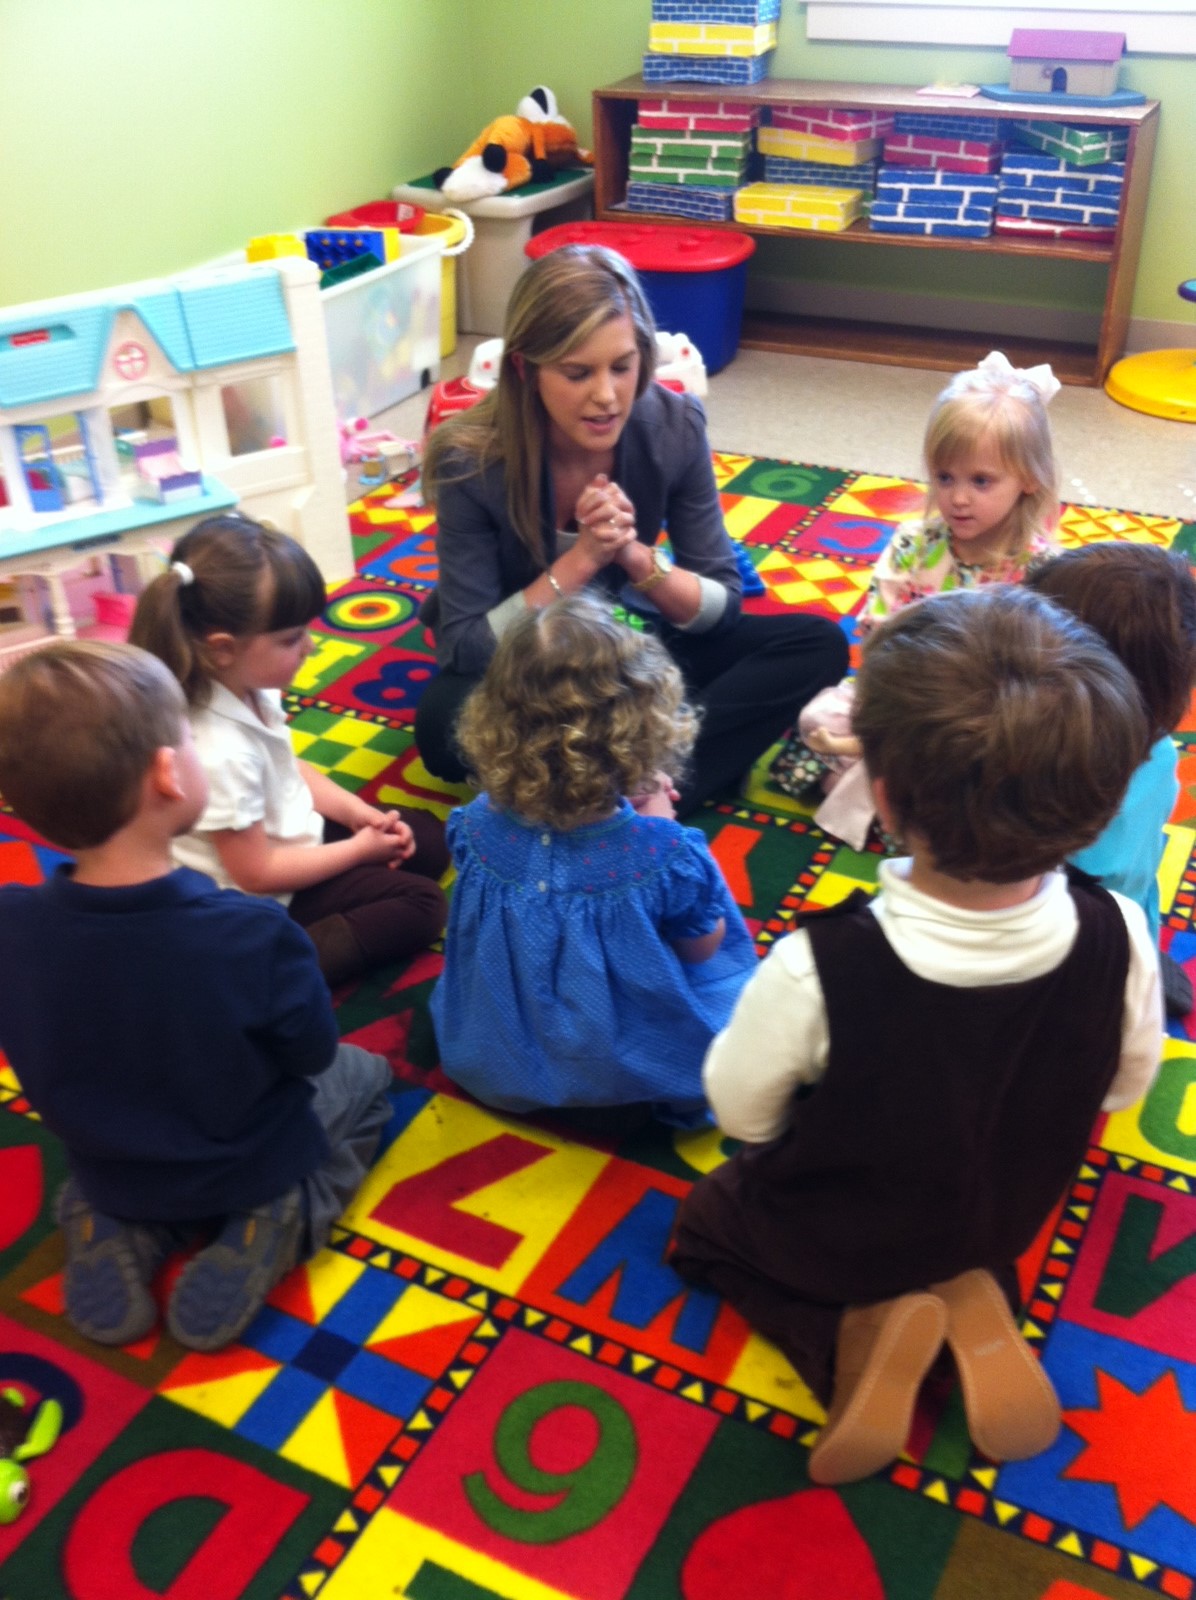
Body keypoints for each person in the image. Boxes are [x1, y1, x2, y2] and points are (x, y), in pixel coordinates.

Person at [671, 587, 1163, 1485]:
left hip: (840, 1226)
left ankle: (850, 1335)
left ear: (885, 799)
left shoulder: (817, 965)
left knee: (704, 1227)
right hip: (1001, 1211)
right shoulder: (1123, 931)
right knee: (945, 1211)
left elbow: (738, 1109)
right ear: (1097, 807)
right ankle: (975, 1295)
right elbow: (1127, 1087)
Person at [0, 641, 395, 1351]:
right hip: (248, 1157)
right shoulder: (250, 933)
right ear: (167, 775)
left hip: (110, 1159)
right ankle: (277, 1217)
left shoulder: (10, 924)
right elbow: (307, 1053)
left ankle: (107, 1217)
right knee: (366, 1079)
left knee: (132, 1132)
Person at [417, 245, 848, 815]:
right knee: (440, 726)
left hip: (637, 648)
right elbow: (467, 647)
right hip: (531, 665)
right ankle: (648, 786)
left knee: (817, 643)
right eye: (578, 373)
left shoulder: (674, 426)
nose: (606, 395)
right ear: (525, 369)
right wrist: (583, 560)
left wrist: (635, 557)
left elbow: (724, 606)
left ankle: (616, 788)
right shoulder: (468, 459)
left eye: (622, 366)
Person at [430, 593, 759, 1126]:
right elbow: (702, 948)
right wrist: (661, 822)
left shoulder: (474, 826)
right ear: (641, 725)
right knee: (745, 1002)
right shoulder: (664, 856)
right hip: (627, 1066)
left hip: (497, 1057)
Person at [130, 513, 448, 987]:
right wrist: (360, 851)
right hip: (260, 898)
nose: (313, 647)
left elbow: (287, 768)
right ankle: (271, 971)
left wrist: (357, 811)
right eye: (292, 638)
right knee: (423, 906)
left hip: (290, 841)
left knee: (425, 838)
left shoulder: (247, 684)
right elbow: (257, 874)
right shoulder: (218, 750)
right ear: (222, 648)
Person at [771, 350, 1061, 845]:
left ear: (1029, 479)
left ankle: (878, 795)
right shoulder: (912, 545)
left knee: (1004, 758)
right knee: (818, 716)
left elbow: (1043, 675)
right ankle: (898, 804)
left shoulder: (1042, 569)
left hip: (982, 715)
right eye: (945, 477)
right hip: (901, 695)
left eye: (981, 481)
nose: (958, 497)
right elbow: (878, 636)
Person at [1027, 541, 1196, 1017]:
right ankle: (1137, 965)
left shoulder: (1058, 764)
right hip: (1108, 919)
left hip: (1074, 934)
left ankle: (1132, 969)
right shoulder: (1154, 752)